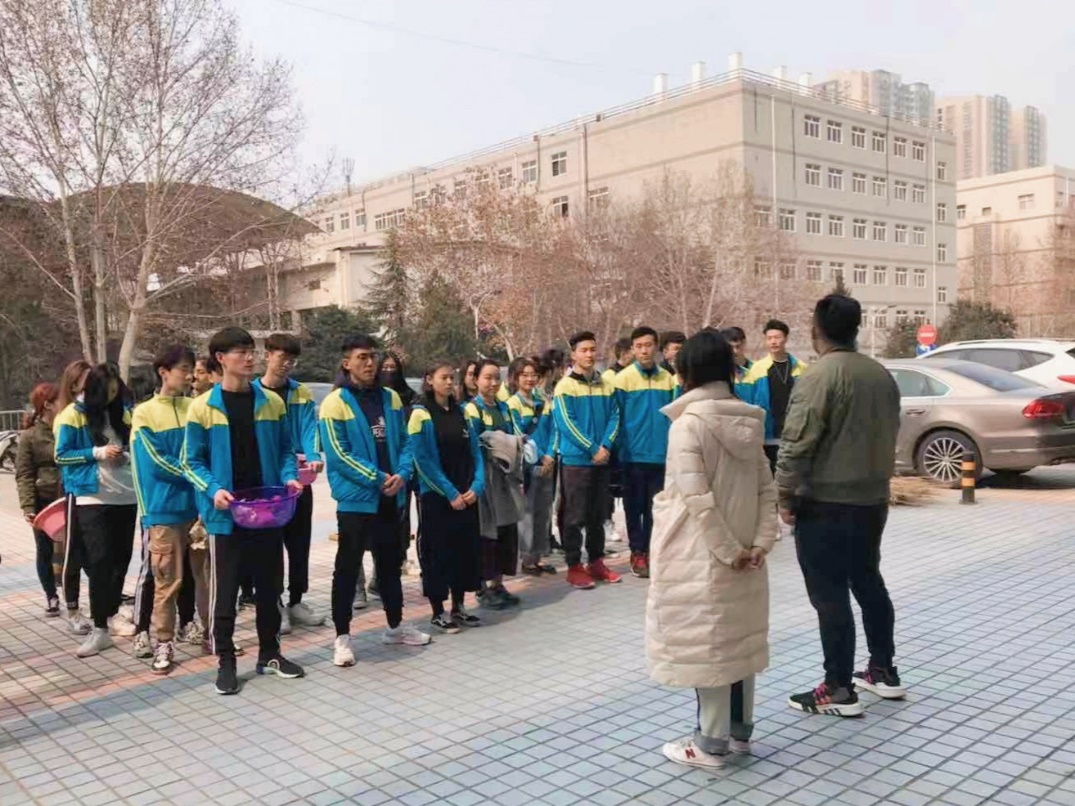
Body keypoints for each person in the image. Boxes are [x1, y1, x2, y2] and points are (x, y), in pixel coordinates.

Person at [647, 329, 776, 769]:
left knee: (711, 645)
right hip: (746, 552)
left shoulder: (688, 425)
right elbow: (766, 489)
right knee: (739, 639)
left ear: (688, 371)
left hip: (702, 554)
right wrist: (758, 545)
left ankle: (709, 744)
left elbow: (698, 501)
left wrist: (728, 551)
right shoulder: (749, 423)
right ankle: (740, 732)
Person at [778, 295, 904, 717]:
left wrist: (785, 495)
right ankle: (883, 670)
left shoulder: (819, 376)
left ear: (816, 329)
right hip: (873, 500)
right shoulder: (880, 374)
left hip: (826, 503)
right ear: (856, 328)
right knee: (868, 581)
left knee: (829, 594)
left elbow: (797, 442)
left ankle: (838, 688)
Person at [182, 326, 305, 695]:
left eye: (251, 351)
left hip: (267, 511)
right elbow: (190, 461)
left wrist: (289, 477)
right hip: (226, 515)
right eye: (240, 352)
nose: (250, 358)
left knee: (270, 587)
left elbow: (285, 451)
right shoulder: (202, 407)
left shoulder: (271, 402)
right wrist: (213, 489)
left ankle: (270, 653)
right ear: (221, 359)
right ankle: (226, 661)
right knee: (225, 592)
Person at [320, 334, 430, 669]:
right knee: (347, 566)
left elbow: (406, 442)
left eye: (372, 357)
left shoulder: (391, 399)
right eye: (362, 358)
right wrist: (379, 478)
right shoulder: (335, 403)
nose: (370, 363)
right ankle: (342, 637)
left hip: (391, 498)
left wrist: (402, 473)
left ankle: (395, 627)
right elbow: (338, 454)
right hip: (357, 501)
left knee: (390, 564)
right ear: (346, 363)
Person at [55, 363, 139, 657]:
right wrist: (97, 452)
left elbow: (134, 446)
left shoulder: (122, 413)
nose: (111, 397)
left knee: (121, 560)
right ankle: (100, 627)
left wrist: (125, 455)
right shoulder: (72, 415)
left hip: (126, 495)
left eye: (115, 392)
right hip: (92, 497)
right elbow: (61, 456)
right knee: (99, 561)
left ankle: (113, 614)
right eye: (106, 392)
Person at [130, 345, 203, 675]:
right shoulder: (144, 413)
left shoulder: (196, 407)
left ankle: (208, 631)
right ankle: (163, 641)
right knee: (166, 581)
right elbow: (157, 462)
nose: (190, 376)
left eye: (192, 369)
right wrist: (197, 474)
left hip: (199, 509)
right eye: (184, 369)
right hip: (163, 511)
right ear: (164, 372)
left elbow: (206, 449)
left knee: (203, 577)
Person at [253, 333, 325, 634]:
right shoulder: (253, 393)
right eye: (282, 357)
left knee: (299, 543)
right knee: (270, 548)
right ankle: (275, 604)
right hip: (267, 486)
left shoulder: (301, 393)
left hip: (299, 481)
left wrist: (313, 455)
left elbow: (310, 429)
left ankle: (296, 600)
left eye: (292, 360)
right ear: (267, 355)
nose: (287, 364)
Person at [409, 361, 484, 633]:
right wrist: (450, 493)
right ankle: (438, 611)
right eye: (444, 377)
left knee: (464, 551)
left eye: (453, 378)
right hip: (438, 497)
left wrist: (477, 485)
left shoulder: (463, 411)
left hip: (466, 494)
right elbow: (422, 460)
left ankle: (459, 606)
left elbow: (476, 453)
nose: (450, 382)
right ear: (429, 379)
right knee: (438, 553)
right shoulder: (420, 414)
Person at [554, 331, 622, 589]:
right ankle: (574, 566)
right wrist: (592, 448)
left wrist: (605, 446)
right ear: (574, 354)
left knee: (598, 515)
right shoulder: (565, 387)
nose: (589, 354)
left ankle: (596, 562)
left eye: (592, 349)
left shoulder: (606, 384)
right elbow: (566, 423)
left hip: (601, 461)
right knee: (574, 516)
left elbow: (615, 416)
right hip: (576, 462)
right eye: (584, 350)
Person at [614, 326, 676, 578]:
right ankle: (637, 551)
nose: (644, 351)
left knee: (656, 509)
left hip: (660, 456)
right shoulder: (623, 379)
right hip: (632, 456)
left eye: (648, 345)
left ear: (656, 347)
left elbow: (673, 416)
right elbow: (616, 418)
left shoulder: (668, 379)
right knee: (634, 508)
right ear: (632, 349)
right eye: (639, 346)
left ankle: (652, 550)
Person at [465, 360, 522, 608]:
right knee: (485, 533)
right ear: (476, 380)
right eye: (487, 377)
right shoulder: (472, 409)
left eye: (497, 377)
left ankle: (498, 584)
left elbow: (513, 435)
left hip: (504, 478)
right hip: (484, 478)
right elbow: (474, 445)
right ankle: (482, 587)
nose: (493, 383)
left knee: (505, 531)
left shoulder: (504, 408)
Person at [16, 383, 63, 619]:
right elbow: (24, 474)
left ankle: (77, 596)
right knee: (44, 549)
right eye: (59, 400)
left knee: (78, 548)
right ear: (47, 405)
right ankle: (51, 595)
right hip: (45, 500)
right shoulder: (30, 436)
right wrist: (28, 507)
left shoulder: (67, 427)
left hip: (70, 495)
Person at [508, 358, 557, 576]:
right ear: (516, 377)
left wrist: (550, 455)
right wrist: (539, 458)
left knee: (543, 511)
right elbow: (520, 435)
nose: (529, 379)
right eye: (524, 375)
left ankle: (538, 556)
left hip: (548, 464)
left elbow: (555, 429)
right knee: (527, 513)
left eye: (533, 375)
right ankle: (527, 559)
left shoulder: (544, 401)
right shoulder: (512, 404)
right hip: (528, 467)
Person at [738, 320, 804, 473]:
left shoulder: (801, 368)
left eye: (777, 337)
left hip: (794, 435)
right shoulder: (757, 369)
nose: (773, 342)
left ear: (785, 338)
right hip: (766, 436)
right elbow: (749, 402)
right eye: (769, 338)